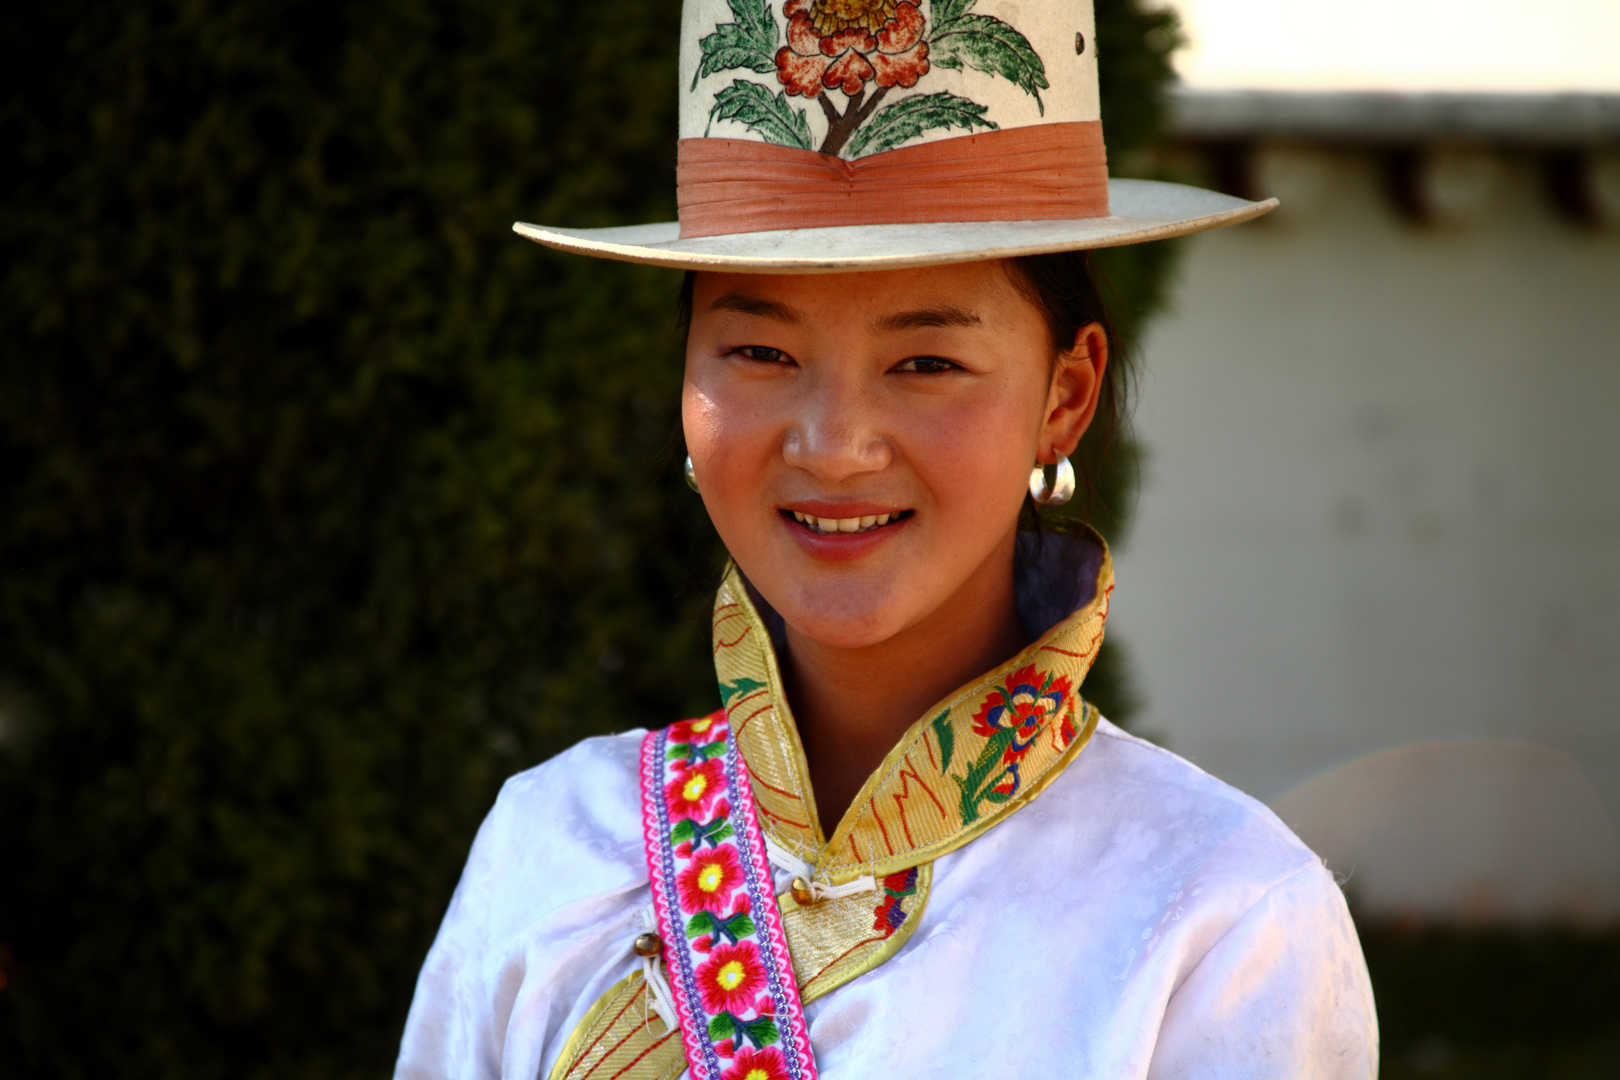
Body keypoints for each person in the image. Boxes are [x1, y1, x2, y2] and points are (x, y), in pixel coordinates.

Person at [395, 0, 1378, 1076]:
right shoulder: (554, 849)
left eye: (926, 364)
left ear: (1065, 395)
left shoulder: (1217, 919)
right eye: (760, 352)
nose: (832, 446)